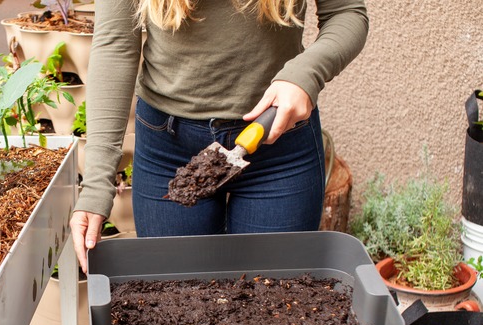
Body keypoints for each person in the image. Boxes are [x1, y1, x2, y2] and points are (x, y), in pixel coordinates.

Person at [70, 0, 369, 272]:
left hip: (278, 147)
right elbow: (116, 44)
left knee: (272, 312)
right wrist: (97, 183)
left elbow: (346, 13)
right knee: (177, 308)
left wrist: (306, 74)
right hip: (169, 150)